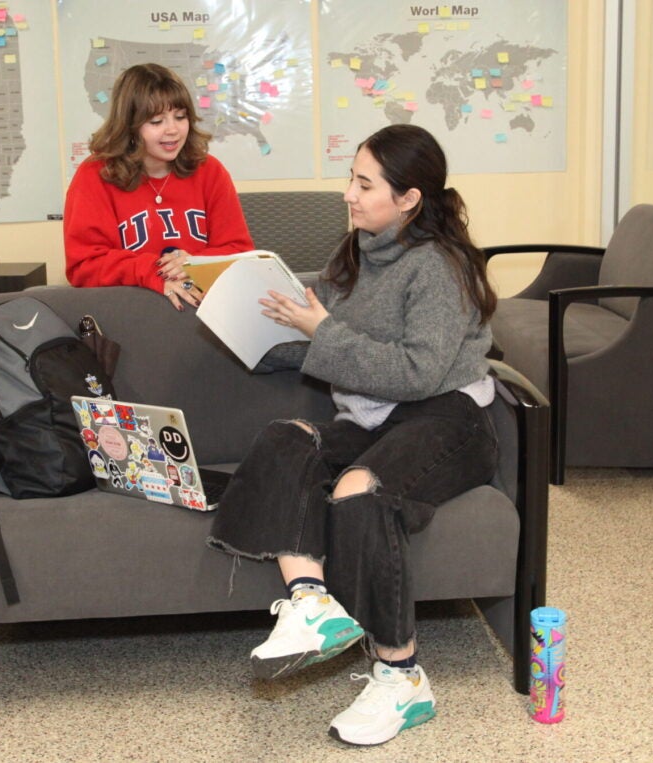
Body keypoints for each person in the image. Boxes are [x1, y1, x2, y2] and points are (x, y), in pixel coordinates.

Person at [206, 124, 499, 747]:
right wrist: (220, 304)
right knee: (287, 438)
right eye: (352, 179)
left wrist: (320, 330)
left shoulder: (439, 269)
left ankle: (402, 676)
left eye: (365, 185)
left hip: (446, 416)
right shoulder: (358, 252)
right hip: (374, 417)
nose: (349, 194)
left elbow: (416, 373)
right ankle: (311, 603)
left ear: (409, 198)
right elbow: (312, 338)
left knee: (359, 489)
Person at [63, 63, 254, 311]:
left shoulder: (210, 171)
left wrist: (195, 264)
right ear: (129, 126)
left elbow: (239, 252)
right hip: (129, 313)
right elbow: (84, 266)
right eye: (156, 121)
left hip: (204, 316)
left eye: (180, 117)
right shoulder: (95, 176)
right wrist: (153, 271)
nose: (172, 130)